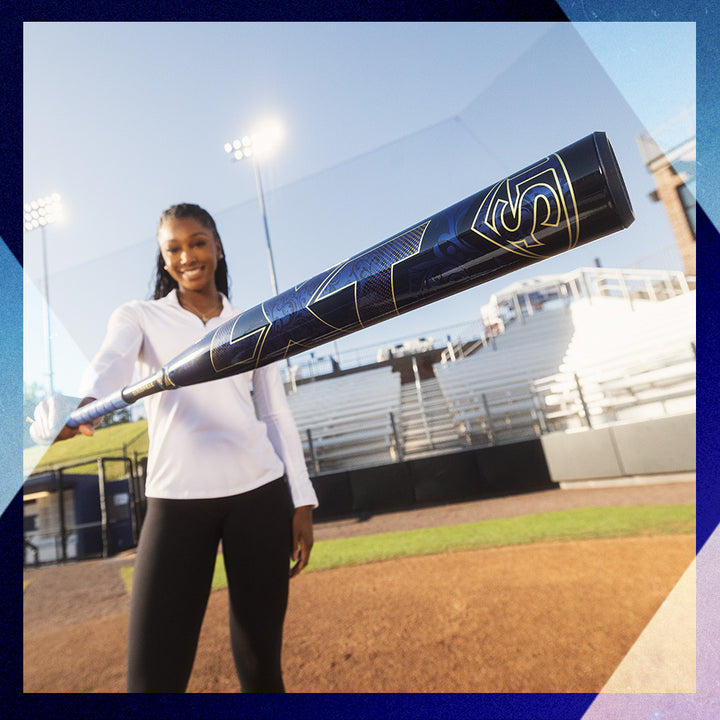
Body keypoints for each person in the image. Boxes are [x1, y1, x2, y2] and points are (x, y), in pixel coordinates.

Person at [30, 203, 318, 693]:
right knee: (152, 681)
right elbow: (111, 362)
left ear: (218, 246)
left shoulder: (255, 322)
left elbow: (273, 413)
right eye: (174, 249)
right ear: (164, 261)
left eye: (198, 242)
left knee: (261, 666)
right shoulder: (140, 316)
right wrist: (82, 405)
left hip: (260, 494)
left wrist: (302, 501)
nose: (188, 256)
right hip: (177, 502)